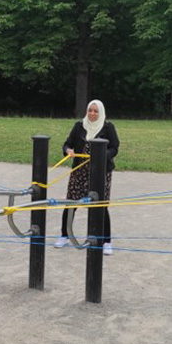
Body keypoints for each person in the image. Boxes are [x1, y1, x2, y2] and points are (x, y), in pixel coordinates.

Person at [54, 100, 120, 255]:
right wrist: (68, 150)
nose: (92, 113)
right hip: (79, 171)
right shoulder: (79, 126)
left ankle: (106, 241)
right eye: (90, 110)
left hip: (100, 173)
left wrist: (103, 156)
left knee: (100, 206)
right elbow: (67, 144)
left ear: (101, 112)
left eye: (96, 111)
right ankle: (65, 235)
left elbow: (115, 147)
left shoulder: (108, 127)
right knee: (70, 203)